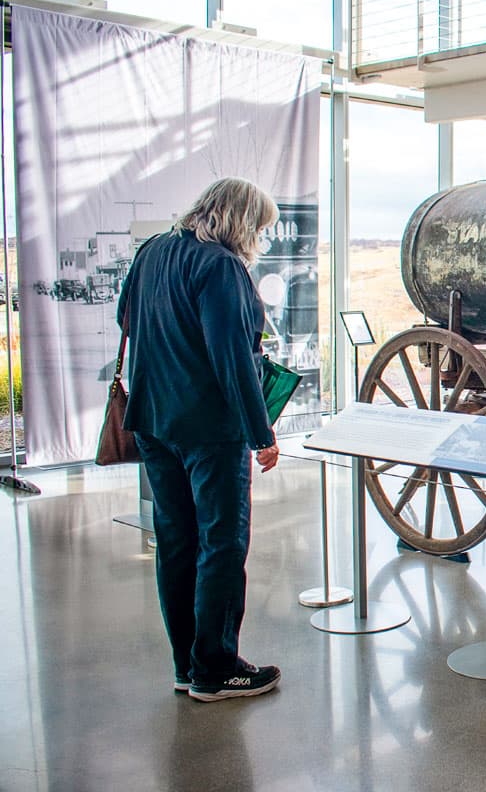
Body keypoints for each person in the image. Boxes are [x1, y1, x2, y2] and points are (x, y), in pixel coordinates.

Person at [117, 177, 282, 702]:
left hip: (152, 422)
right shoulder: (221, 266)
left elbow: (126, 318)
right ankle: (217, 668)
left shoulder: (153, 251)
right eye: (258, 228)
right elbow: (232, 359)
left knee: (176, 541)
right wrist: (261, 433)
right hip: (209, 431)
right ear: (239, 222)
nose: (258, 238)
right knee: (223, 544)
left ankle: (186, 664)